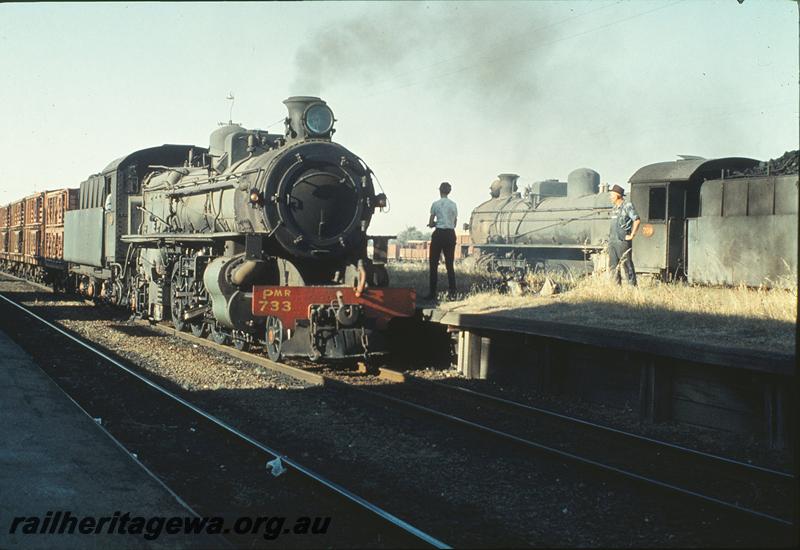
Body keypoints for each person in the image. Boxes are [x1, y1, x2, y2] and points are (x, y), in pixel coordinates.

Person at [425, 181, 458, 300]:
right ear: (449, 191)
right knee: (450, 264)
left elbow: (431, 221)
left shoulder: (435, 204)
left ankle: (432, 293)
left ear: (440, 191)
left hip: (439, 234)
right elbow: (454, 222)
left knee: (433, 264)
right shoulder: (453, 204)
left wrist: (432, 224)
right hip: (450, 234)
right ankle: (453, 292)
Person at [608, 184, 640, 286]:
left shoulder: (627, 206)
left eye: (612, 195)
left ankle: (632, 288)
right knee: (613, 266)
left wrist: (632, 235)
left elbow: (637, 220)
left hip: (622, 241)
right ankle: (616, 288)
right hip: (613, 241)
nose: (610, 197)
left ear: (617, 195)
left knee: (627, 265)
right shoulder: (614, 209)